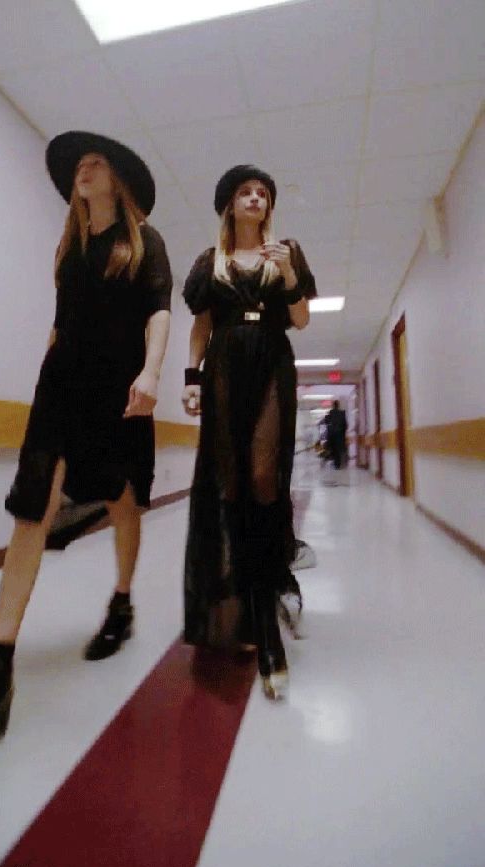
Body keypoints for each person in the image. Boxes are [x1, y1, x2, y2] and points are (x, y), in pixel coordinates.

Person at [0, 131, 172, 744]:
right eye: (78, 166)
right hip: (61, 389)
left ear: (118, 179)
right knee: (31, 506)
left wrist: (152, 371)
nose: (83, 172)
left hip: (118, 394)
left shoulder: (145, 243)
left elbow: (159, 310)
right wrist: (44, 389)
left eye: (95, 163)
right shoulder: (68, 248)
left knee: (121, 500)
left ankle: (121, 600)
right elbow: (61, 329)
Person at [181, 165, 317, 700]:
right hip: (222, 371)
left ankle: (266, 625)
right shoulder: (208, 262)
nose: (256, 198)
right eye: (246, 192)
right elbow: (201, 325)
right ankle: (239, 605)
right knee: (229, 487)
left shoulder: (287, 253)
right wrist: (191, 379)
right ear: (230, 205)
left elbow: (302, 319)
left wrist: (286, 276)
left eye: (263, 193)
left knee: (264, 481)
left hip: (270, 368)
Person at [325, 400, 348, 470]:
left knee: (334, 450)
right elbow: (345, 425)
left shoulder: (330, 413)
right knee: (339, 450)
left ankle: (336, 463)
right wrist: (343, 433)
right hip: (340, 435)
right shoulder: (342, 413)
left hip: (332, 436)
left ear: (333, 405)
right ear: (338, 405)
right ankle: (338, 464)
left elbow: (326, 422)